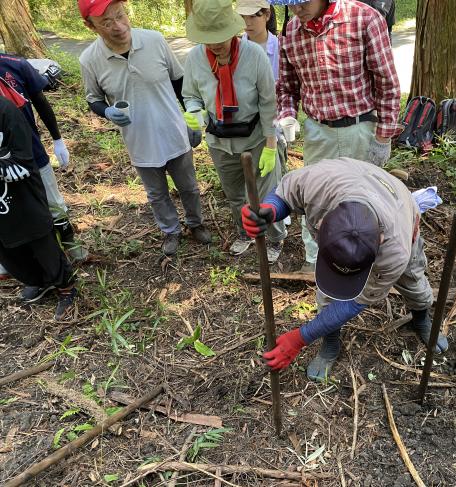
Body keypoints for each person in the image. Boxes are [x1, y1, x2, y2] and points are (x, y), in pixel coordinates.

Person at [241, 158, 449, 381]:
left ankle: (421, 318)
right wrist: (270, 210)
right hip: (349, 178)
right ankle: (330, 342)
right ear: (321, 225)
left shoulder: (395, 249)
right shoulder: (318, 183)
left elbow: (357, 301)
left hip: (398, 204)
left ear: (379, 241)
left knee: (414, 283)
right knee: (328, 296)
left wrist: (301, 337)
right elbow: (285, 193)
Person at [270, 0, 402, 273]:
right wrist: (286, 115)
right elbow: (286, 87)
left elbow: (386, 82)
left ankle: (367, 260)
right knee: (314, 200)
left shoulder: (364, 18)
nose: (297, 10)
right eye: (291, 5)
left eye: (303, 2)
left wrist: (383, 136)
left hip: (360, 128)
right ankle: (317, 262)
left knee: (365, 199)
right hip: (319, 132)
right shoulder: (292, 32)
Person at [78, 0, 211, 256]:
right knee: (157, 194)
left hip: (173, 131)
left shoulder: (154, 40)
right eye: (107, 22)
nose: (118, 26)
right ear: (90, 26)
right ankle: (170, 230)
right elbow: (92, 98)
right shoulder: (90, 60)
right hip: (138, 140)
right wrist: (106, 111)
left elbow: (178, 80)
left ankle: (196, 223)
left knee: (189, 187)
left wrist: (190, 115)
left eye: (120, 15)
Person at [183, 0, 286, 262]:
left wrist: (271, 146)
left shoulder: (254, 56)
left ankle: (275, 238)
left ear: (232, 30)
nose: (215, 44)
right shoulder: (195, 58)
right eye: (209, 38)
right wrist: (196, 112)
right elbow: (191, 95)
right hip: (220, 141)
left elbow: (268, 102)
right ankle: (244, 233)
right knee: (234, 195)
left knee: (266, 194)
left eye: (220, 37)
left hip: (256, 138)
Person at [0, 52, 88, 299]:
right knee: (11, 211)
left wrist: (58, 139)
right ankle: (33, 272)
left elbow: (40, 101)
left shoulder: (15, 66)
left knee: (52, 205)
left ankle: (69, 245)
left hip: (32, 155)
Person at [0, 97, 78, 321]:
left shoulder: (5, 111)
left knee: (40, 240)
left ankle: (65, 287)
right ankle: (38, 281)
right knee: (9, 249)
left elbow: (23, 164)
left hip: (23, 194)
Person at [235, 0, 292, 227]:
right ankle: (265, 204)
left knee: (279, 157)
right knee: (261, 167)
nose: (248, 23)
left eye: (253, 17)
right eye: (244, 18)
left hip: (275, 115)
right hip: (249, 118)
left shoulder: (280, 46)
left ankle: (281, 204)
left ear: (266, 15)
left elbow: (287, 83)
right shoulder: (237, 48)